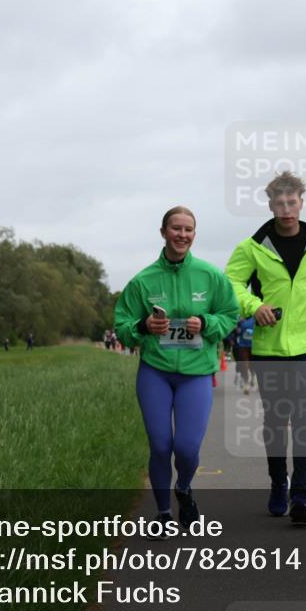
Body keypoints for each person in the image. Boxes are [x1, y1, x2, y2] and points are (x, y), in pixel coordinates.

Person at [225, 171, 306, 526]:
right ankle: (279, 483)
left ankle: (301, 496)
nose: (286, 209)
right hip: (270, 347)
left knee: (305, 419)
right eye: (279, 203)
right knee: (277, 421)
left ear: (301, 201)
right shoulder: (253, 246)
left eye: (292, 202)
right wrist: (253, 306)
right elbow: (231, 282)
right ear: (270, 205)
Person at [114, 206, 239, 533]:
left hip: (196, 373)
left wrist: (208, 322)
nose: (182, 235)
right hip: (156, 371)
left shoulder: (211, 276)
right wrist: (143, 325)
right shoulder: (143, 281)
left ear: (194, 235)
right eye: (176, 228)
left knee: (186, 447)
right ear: (163, 232)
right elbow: (122, 326)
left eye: (188, 230)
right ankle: (163, 514)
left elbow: (230, 315)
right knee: (159, 445)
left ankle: (183, 487)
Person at [235, 316, 256, 394]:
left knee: (252, 364)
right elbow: (237, 331)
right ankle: (246, 384)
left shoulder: (256, 317)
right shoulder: (240, 319)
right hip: (243, 345)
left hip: (254, 345)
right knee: (244, 365)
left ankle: (253, 377)